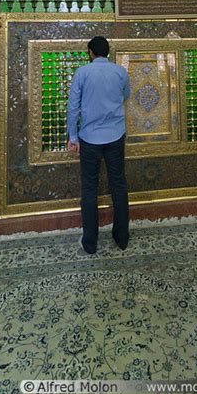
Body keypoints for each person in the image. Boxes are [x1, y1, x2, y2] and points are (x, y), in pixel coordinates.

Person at [67, 36, 131, 254]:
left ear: (90, 52)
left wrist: (73, 137)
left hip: (89, 138)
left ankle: (90, 243)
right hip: (115, 136)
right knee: (119, 186)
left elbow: (73, 108)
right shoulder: (120, 72)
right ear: (108, 52)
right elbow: (126, 95)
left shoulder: (82, 73)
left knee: (89, 189)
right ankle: (122, 238)